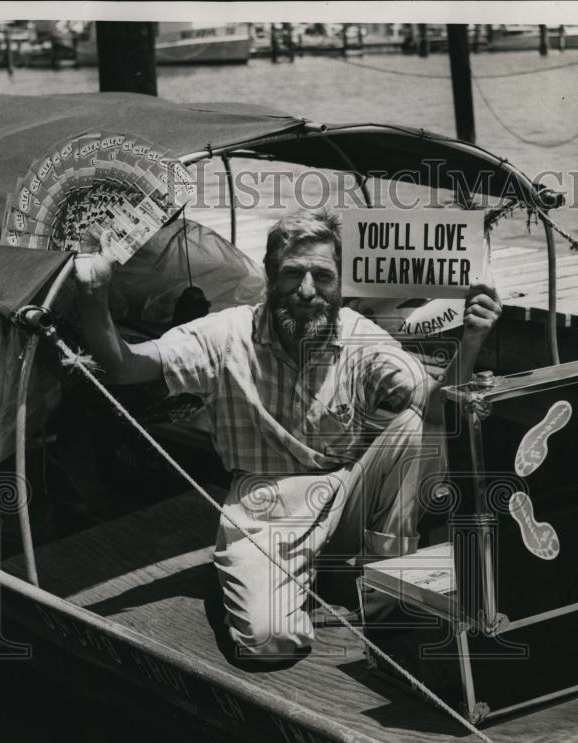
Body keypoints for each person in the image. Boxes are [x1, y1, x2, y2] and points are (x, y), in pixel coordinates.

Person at [73, 208, 501, 659]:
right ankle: (284, 574)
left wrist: (470, 340)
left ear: (339, 281)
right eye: (293, 274)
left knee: (420, 427)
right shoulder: (226, 334)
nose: (308, 291)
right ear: (269, 276)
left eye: (322, 275)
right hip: (266, 505)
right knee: (269, 643)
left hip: (344, 492)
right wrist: (93, 294)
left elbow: (436, 406)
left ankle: (384, 585)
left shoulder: (360, 335)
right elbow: (124, 367)